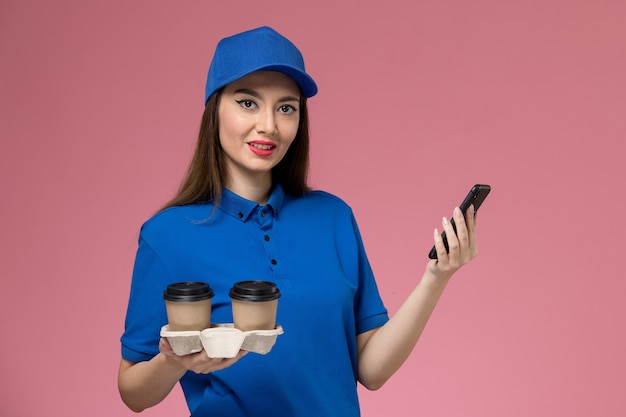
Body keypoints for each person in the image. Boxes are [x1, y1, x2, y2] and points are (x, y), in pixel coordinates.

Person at [118, 26, 479, 417]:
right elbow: (133, 392)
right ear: (214, 108)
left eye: (286, 107)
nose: (269, 125)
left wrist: (436, 276)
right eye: (248, 103)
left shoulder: (332, 217)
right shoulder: (168, 236)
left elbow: (371, 370)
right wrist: (174, 362)